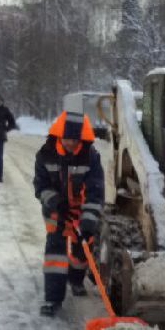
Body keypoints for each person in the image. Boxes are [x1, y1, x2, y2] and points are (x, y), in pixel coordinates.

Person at [33, 109, 105, 316]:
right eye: (67, 138)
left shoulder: (90, 157)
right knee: (56, 253)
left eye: (75, 139)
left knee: (82, 248)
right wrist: (54, 201)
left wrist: (89, 220)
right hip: (56, 210)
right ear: (59, 136)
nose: (71, 143)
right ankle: (53, 299)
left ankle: (75, 279)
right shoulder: (45, 154)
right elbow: (40, 185)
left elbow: (96, 190)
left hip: (81, 210)